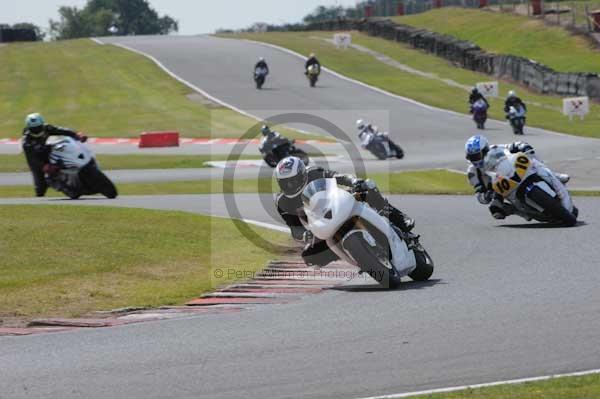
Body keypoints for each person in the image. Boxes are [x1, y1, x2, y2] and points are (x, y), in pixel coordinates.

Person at [274, 156, 414, 266]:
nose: (290, 186)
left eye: (293, 180)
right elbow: (294, 228)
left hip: (338, 203)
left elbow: (338, 177)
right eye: (285, 183)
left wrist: (353, 181)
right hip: (320, 225)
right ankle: (357, 255)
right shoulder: (282, 202)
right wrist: (306, 235)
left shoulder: (313, 172)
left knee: (367, 186)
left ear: (302, 174)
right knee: (310, 257)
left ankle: (398, 217)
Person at [465, 135, 570, 219]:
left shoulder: (495, 149)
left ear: (485, 150)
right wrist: (486, 196)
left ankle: (553, 174)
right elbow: (479, 196)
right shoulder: (473, 172)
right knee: (495, 209)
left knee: (531, 158)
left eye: (477, 156)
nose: (475, 160)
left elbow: (513, 146)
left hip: (513, 171)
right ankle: (517, 211)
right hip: (499, 190)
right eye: (472, 157)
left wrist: (523, 146)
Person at [21, 113, 87, 197]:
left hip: (50, 153)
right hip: (37, 161)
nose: (36, 130)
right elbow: (31, 158)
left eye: (38, 127)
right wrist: (43, 166)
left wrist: (77, 134)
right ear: (29, 128)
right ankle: (57, 185)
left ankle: (79, 177)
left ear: (42, 124)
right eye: (33, 129)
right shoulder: (26, 141)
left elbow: (63, 130)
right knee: (40, 190)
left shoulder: (47, 128)